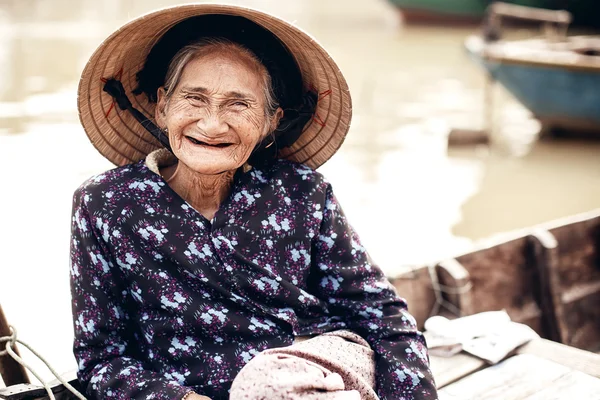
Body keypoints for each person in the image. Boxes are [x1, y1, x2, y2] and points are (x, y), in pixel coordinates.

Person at [70, 4, 437, 400]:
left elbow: (381, 317)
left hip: (316, 369)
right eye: (194, 99)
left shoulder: (302, 193)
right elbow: (101, 359)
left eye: (238, 104)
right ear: (162, 106)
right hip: (189, 392)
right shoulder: (106, 203)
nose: (212, 125)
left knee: (269, 384)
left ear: (269, 123)